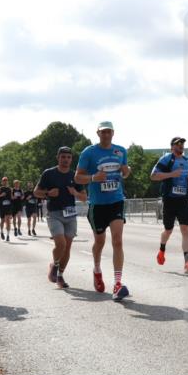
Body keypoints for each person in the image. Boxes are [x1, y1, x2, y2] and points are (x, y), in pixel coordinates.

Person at [75, 121, 133, 301]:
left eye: (109, 132)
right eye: (103, 132)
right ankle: (97, 270)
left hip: (116, 200)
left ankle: (117, 283)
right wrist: (93, 177)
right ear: (98, 133)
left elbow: (125, 172)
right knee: (99, 242)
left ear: (113, 133)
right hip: (97, 204)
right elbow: (77, 177)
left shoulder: (121, 151)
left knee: (117, 240)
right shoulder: (89, 152)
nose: (106, 135)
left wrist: (126, 170)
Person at [36, 147, 87, 288]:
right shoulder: (49, 174)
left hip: (70, 215)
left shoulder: (75, 176)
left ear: (71, 159)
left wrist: (75, 193)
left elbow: (84, 197)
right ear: (58, 158)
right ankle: (54, 265)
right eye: (63, 157)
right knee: (61, 244)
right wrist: (48, 193)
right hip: (54, 214)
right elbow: (36, 192)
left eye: (68, 157)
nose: (66, 160)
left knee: (67, 248)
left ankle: (60, 275)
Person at [151, 136, 188, 273]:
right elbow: (153, 175)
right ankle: (162, 249)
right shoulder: (166, 159)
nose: (181, 146)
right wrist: (171, 174)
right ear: (172, 147)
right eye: (178, 144)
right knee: (168, 230)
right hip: (169, 200)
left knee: (186, 230)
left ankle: (187, 263)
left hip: (183, 199)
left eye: (182, 143)